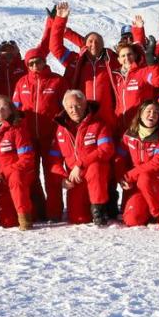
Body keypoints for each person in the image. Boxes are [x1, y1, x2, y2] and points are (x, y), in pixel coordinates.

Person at [13, 47, 67, 222]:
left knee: (53, 174)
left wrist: (60, 129)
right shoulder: (21, 83)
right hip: (28, 137)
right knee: (30, 175)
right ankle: (37, 210)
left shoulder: (57, 81)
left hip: (51, 137)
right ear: (27, 65)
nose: (35, 65)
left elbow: (66, 109)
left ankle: (54, 212)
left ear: (44, 61)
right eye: (31, 63)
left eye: (38, 61)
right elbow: (15, 109)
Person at [52, 90, 116, 226]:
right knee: (78, 218)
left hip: (95, 172)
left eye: (78, 105)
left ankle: (100, 209)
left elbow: (106, 150)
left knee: (95, 167)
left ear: (85, 104)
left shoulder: (99, 124)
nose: (74, 110)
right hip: (76, 176)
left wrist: (80, 164)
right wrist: (62, 176)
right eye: (70, 107)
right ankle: (91, 205)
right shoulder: (61, 130)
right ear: (65, 108)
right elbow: (54, 158)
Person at [0, 96, 37, 230]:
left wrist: (2, 175)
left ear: (11, 111)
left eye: (3, 108)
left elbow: (27, 158)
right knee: (7, 222)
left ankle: (25, 218)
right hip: (0, 179)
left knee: (17, 178)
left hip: (17, 174)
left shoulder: (17, 129)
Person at [117, 100, 159, 227]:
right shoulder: (129, 135)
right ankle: (145, 209)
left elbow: (158, 163)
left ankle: (156, 212)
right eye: (148, 111)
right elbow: (119, 158)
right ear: (140, 113)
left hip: (157, 180)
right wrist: (121, 177)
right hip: (136, 182)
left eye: (156, 112)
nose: (152, 115)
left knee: (145, 178)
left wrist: (131, 175)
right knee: (132, 220)